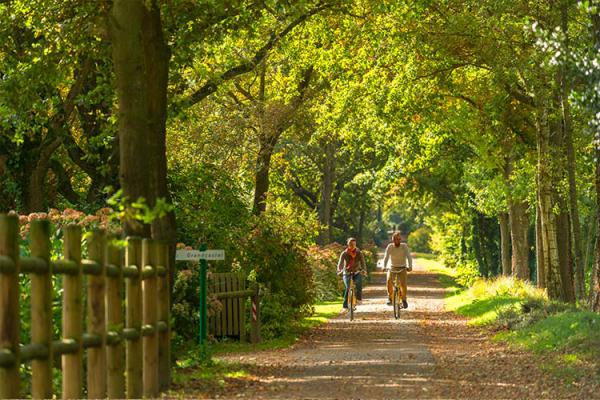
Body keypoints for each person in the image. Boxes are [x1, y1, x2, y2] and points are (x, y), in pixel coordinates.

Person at [383, 231, 413, 308]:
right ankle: (390, 298)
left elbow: (409, 256)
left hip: (402, 267)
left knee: (403, 284)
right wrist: (384, 266)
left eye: (398, 239)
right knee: (389, 281)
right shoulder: (390, 246)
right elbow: (386, 257)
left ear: (400, 240)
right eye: (395, 240)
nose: (397, 241)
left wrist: (410, 266)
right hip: (392, 267)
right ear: (393, 240)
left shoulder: (404, 246)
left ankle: (404, 299)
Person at [337, 237, 367, 310]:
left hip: (356, 272)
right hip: (347, 272)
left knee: (358, 283)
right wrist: (339, 270)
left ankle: (359, 299)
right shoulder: (344, 253)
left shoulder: (359, 253)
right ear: (348, 245)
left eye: (354, 244)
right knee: (348, 287)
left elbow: (363, 262)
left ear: (355, 245)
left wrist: (364, 270)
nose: (353, 246)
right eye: (351, 244)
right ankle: (345, 305)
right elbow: (340, 263)